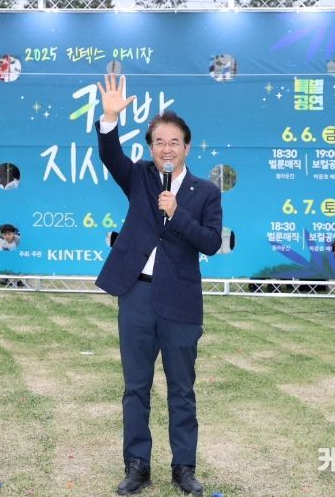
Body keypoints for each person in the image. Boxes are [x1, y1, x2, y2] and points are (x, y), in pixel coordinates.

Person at [95, 73, 222, 496]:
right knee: (136, 387)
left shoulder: (205, 192)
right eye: (159, 142)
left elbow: (211, 241)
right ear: (150, 148)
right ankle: (137, 466)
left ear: (187, 147)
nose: (167, 149)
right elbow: (110, 156)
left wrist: (177, 212)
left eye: (174, 142)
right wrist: (109, 119)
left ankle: (184, 468)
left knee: (181, 389)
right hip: (137, 293)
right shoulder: (140, 177)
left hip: (181, 299)